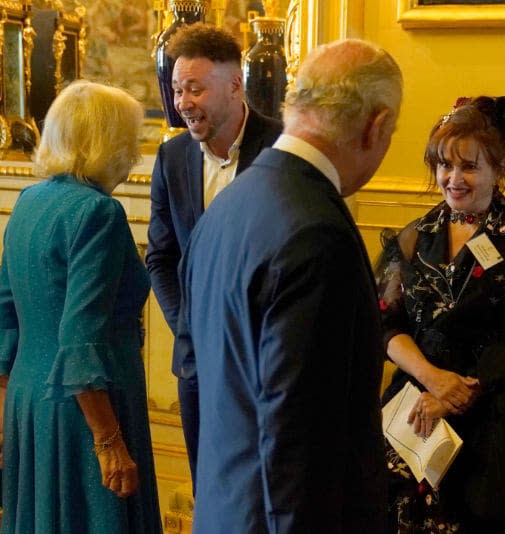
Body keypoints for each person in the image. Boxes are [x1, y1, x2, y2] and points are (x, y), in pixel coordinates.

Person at [179, 38, 403, 533]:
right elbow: (301, 440)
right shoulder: (318, 234)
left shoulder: (225, 209)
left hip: (224, 513)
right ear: (377, 126)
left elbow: (198, 372)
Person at [376, 95, 505, 533]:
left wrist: (454, 393)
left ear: (498, 171)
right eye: (444, 165)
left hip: (493, 414)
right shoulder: (414, 237)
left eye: (469, 166)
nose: (453, 178)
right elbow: (388, 325)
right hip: (416, 406)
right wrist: (431, 379)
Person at [0, 80, 161, 532]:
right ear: (106, 141)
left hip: (29, 401)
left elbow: (5, 312)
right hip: (85, 412)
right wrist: (109, 440)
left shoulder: (30, 201)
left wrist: (5, 414)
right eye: (127, 138)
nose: (132, 152)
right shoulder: (97, 213)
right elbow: (80, 337)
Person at [145, 22, 282, 491]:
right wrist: (189, 323)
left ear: (235, 86)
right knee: (210, 490)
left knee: (266, 492)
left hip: (265, 364)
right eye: (178, 89)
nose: (183, 103)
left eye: (196, 89)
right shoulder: (172, 158)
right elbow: (160, 257)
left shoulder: (282, 150)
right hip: (198, 366)